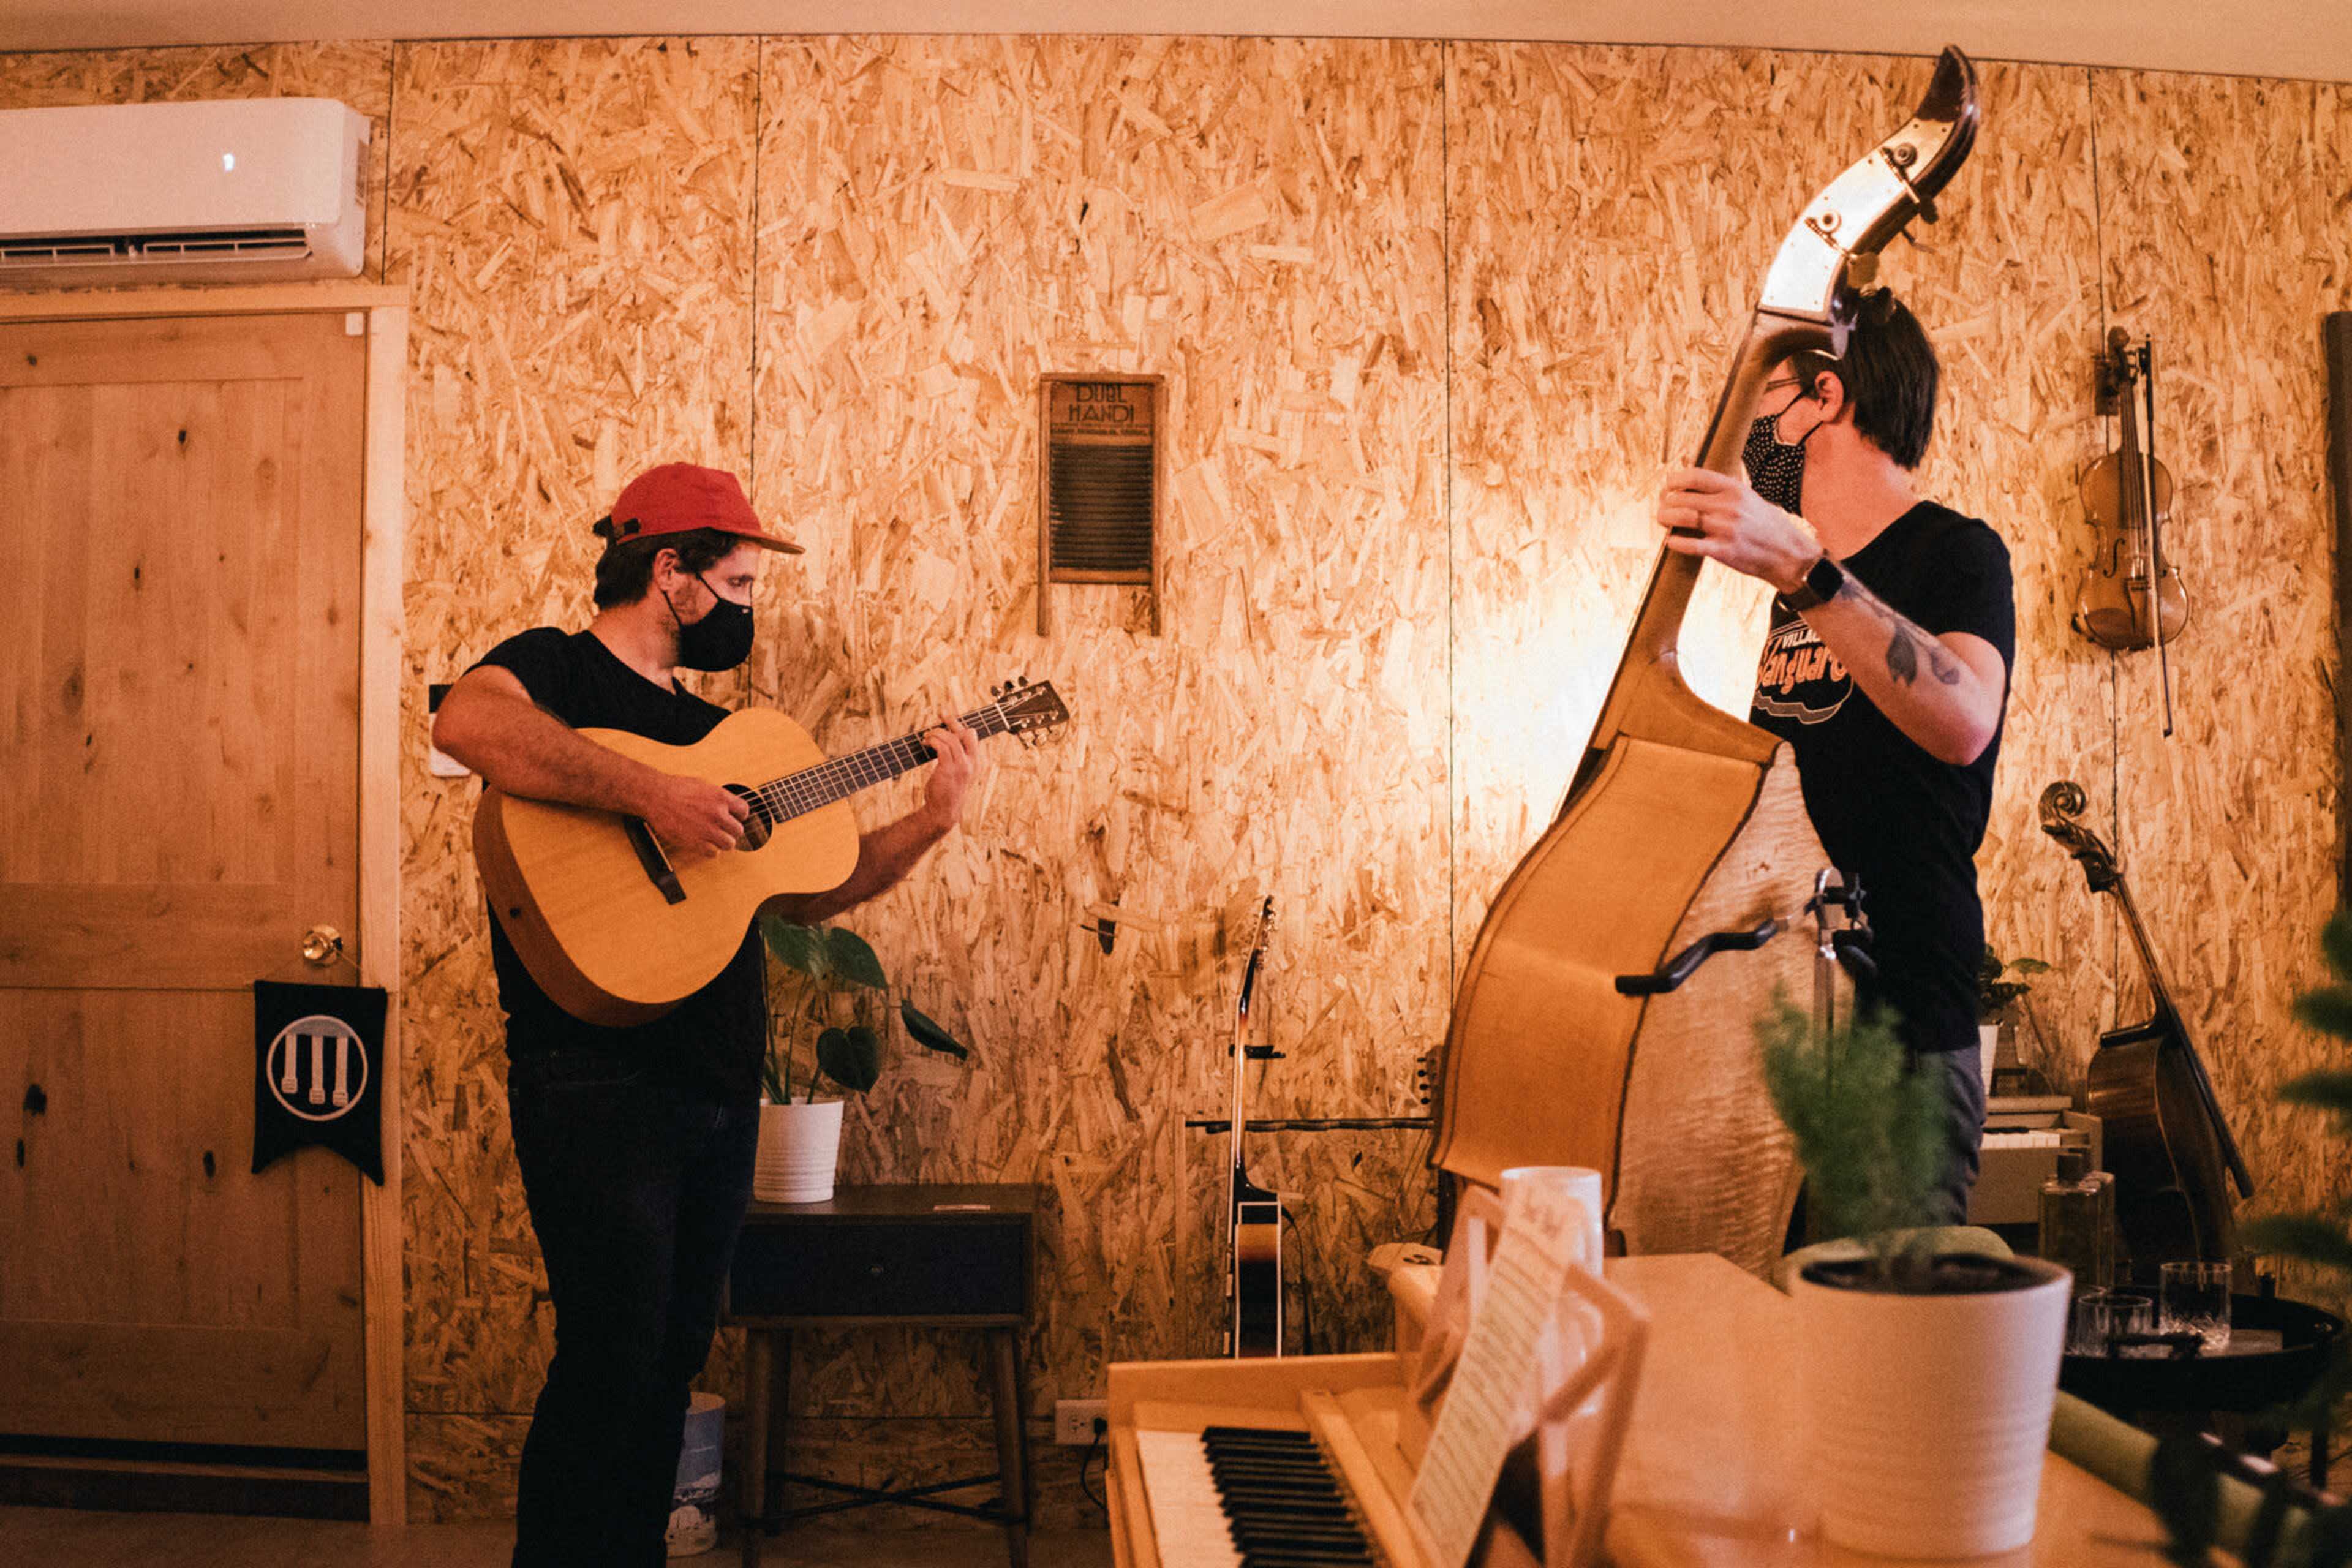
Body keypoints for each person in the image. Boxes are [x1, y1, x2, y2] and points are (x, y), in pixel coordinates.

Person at [431, 462, 984, 1568]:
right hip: (593, 1076)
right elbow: (465, 725)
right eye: (734, 583)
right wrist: (651, 794)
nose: (746, 607)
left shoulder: (721, 734)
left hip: (716, 1086)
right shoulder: (554, 668)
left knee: (673, 1358)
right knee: (609, 1357)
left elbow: (807, 889)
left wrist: (928, 823)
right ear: (668, 572)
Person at [1654, 288, 2015, 1224]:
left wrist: (1804, 571)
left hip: (1899, 1034)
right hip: (1794, 1031)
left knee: (1881, 1358)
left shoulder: (1956, 553)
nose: (1750, 429)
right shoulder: (1797, 602)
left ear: (1826, 396)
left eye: (1766, 395)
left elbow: (1968, 718)